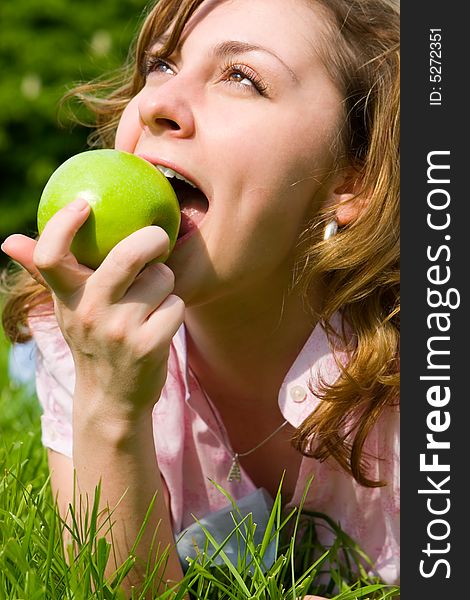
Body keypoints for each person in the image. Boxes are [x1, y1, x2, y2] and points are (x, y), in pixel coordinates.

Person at [1, 0, 400, 597]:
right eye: (161, 66)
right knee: (31, 353)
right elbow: (118, 587)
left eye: (242, 78)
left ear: (354, 178)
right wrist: (108, 403)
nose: (157, 103)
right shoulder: (81, 329)